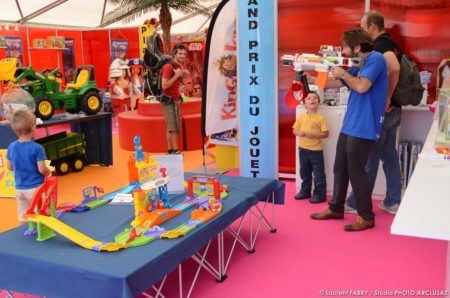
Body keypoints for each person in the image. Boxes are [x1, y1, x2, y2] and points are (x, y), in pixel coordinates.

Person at [310, 28, 388, 231]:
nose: (343, 50)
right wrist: (310, 73)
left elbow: (362, 86)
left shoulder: (376, 59)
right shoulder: (358, 63)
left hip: (365, 125)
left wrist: (342, 72)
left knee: (357, 172)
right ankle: (336, 207)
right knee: (340, 168)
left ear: (357, 46)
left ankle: (366, 216)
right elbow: (339, 82)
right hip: (351, 123)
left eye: (345, 46)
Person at [345, 11, 402, 215]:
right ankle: (393, 200)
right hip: (394, 110)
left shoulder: (381, 46)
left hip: (383, 110)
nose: (361, 31)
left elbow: (394, 68)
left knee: (369, 155)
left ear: (371, 26)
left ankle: (354, 203)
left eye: (362, 26)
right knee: (389, 155)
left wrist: (386, 97)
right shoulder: (392, 43)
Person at [6, 110, 51, 224]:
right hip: (35, 188)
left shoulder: (12, 146)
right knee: (40, 214)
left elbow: (10, 168)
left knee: (23, 215)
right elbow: (42, 169)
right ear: (33, 127)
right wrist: (48, 172)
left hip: (19, 188)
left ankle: (26, 231)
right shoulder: (37, 148)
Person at [293, 91, 329, 203]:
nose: (312, 99)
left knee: (318, 174)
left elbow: (326, 134)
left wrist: (312, 134)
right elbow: (294, 130)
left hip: (316, 151)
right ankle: (305, 191)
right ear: (304, 104)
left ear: (318, 102)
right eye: (309, 98)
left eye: (315, 98)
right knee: (304, 172)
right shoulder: (300, 117)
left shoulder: (321, 118)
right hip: (303, 150)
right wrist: (299, 133)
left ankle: (320, 194)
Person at [160, 43, 189, 155]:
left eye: (184, 54)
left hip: (175, 99)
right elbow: (164, 85)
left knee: (171, 126)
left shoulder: (179, 67)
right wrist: (176, 76)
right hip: (168, 101)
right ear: (174, 54)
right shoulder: (168, 67)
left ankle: (171, 149)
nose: (182, 56)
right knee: (174, 127)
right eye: (180, 53)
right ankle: (175, 150)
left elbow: (178, 83)